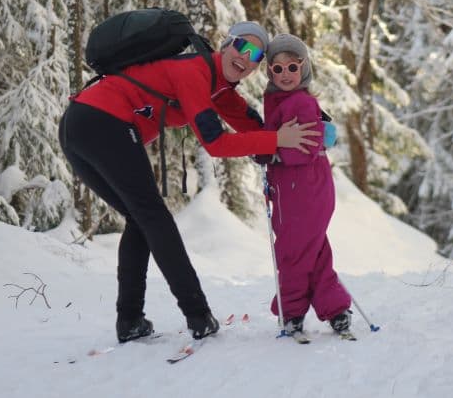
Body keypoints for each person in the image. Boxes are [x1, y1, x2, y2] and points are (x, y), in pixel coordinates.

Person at [58, 22, 321, 342]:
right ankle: (197, 315)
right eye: (242, 46)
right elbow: (215, 142)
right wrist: (275, 140)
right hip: (101, 120)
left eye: (257, 57)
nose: (247, 58)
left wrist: (296, 131)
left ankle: (130, 321)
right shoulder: (195, 72)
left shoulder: (220, 87)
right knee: (153, 217)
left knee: (141, 220)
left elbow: (251, 124)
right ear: (226, 45)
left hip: (80, 126)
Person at [261, 33, 354, 338]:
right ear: (269, 72)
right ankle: (336, 309)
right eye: (277, 68)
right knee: (312, 250)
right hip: (303, 189)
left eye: (292, 66)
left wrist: (268, 149)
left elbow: (303, 149)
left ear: (304, 67)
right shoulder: (281, 100)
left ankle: (292, 311)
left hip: (301, 191)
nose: (285, 74)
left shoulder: (300, 101)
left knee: (292, 251)